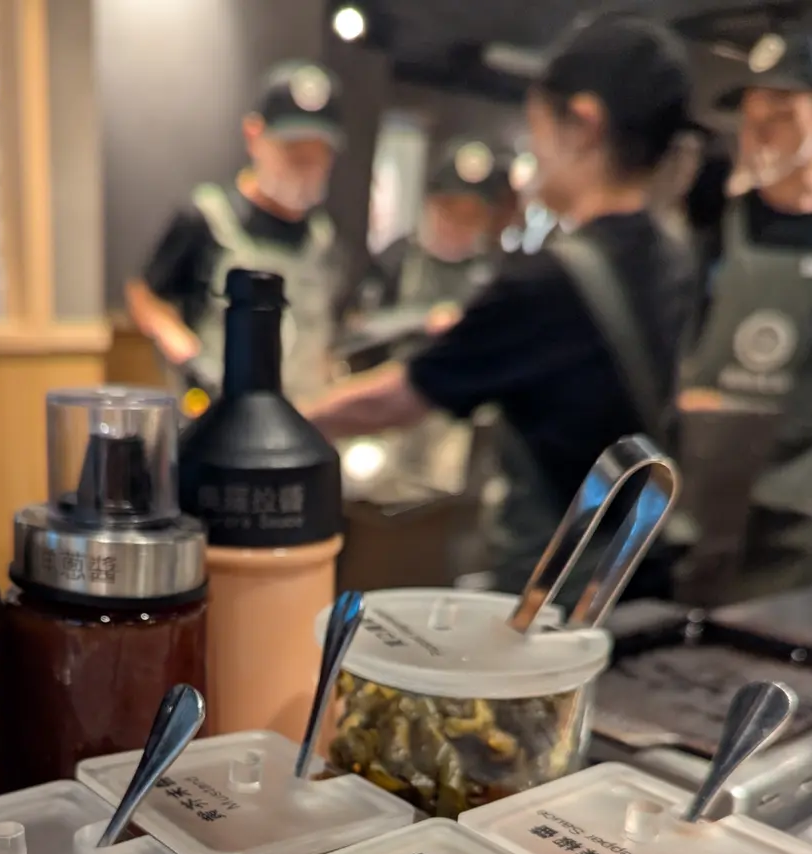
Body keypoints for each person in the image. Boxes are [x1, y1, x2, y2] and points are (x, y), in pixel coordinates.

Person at [303, 14, 696, 600]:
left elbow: (400, 397)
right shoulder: (675, 258)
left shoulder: (549, 279)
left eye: (538, 127)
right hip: (638, 573)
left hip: (558, 592)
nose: (534, 153)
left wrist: (293, 420)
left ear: (583, 125)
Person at [677, 27, 812, 596]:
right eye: (751, 116)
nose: (759, 134)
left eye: (781, 115)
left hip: (793, 518)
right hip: (698, 497)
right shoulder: (709, 227)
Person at [126, 60, 345, 405]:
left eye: (318, 154)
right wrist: (185, 354)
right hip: (223, 412)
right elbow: (145, 297)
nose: (306, 166)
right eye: (294, 151)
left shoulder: (323, 238)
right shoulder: (207, 218)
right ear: (255, 136)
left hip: (304, 414)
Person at [362, 137, 517, 333]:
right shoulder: (396, 259)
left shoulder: (499, 271)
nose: (456, 225)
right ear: (429, 208)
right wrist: (423, 320)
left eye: (470, 217)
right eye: (448, 210)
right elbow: (361, 324)